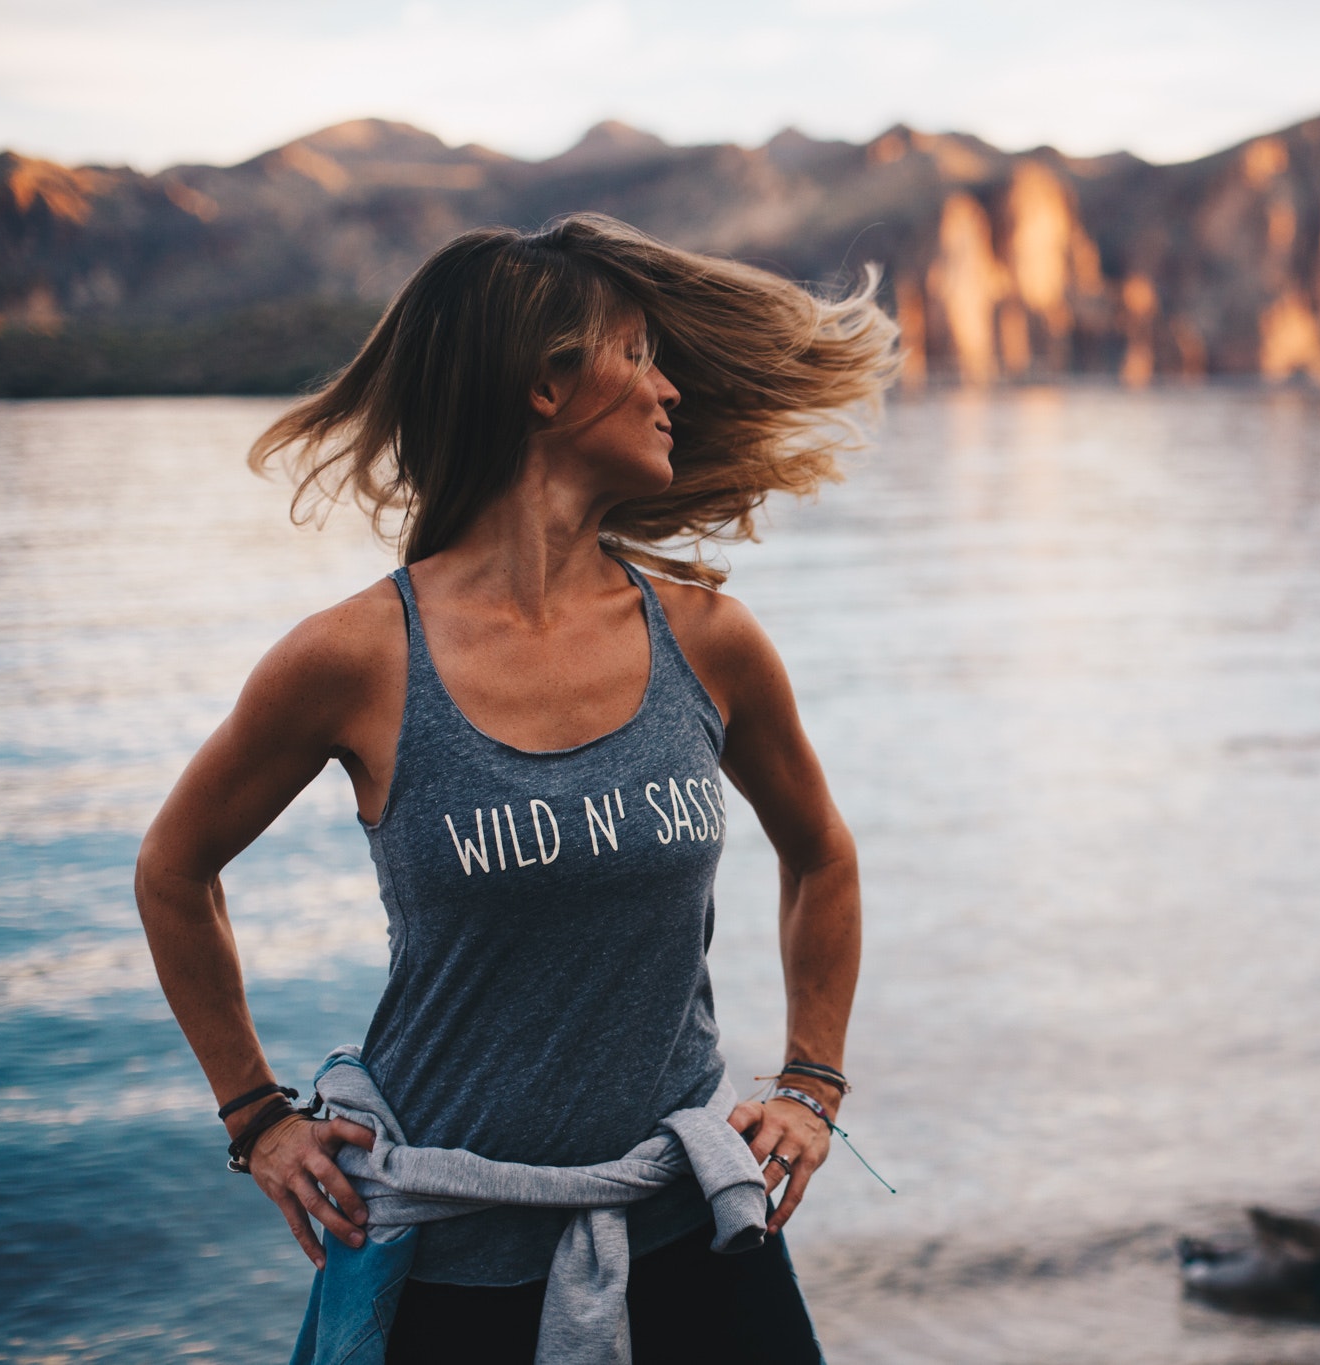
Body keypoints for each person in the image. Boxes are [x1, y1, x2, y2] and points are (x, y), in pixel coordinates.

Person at [134, 213, 899, 1362]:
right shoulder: (354, 658)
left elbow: (822, 855)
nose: (668, 388)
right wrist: (257, 1117)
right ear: (546, 388)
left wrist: (811, 1082)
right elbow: (174, 871)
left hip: (694, 1234)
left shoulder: (709, 639)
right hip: (450, 1260)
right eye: (636, 354)